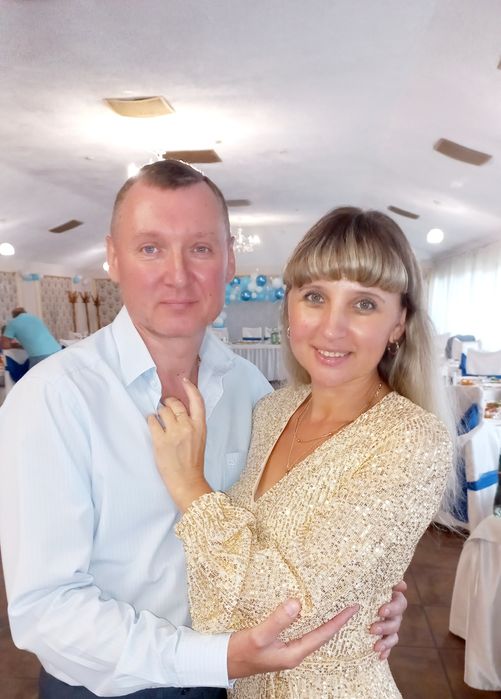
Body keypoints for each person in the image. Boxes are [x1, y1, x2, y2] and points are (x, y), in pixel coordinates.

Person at [0, 162, 406, 699]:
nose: (178, 275)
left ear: (229, 259)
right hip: (111, 688)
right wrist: (213, 658)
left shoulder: (250, 390)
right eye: (150, 248)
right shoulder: (53, 398)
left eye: (200, 248)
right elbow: (45, 608)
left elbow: (278, 539)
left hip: (232, 683)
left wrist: (366, 594)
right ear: (113, 258)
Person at [149, 206, 455, 697]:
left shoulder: (412, 439)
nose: (332, 328)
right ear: (289, 308)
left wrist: (190, 487)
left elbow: (284, 609)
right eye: (315, 297)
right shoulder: (272, 409)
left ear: (399, 323)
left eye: (364, 304)